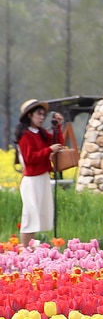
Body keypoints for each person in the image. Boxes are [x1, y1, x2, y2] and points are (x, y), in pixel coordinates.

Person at [15, 99, 64, 248]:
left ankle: (29, 247)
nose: (42, 118)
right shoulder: (25, 135)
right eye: (39, 114)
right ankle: (25, 248)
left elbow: (58, 143)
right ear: (30, 115)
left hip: (42, 177)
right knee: (30, 215)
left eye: (43, 115)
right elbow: (30, 158)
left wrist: (58, 127)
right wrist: (49, 150)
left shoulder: (41, 133)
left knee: (38, 215)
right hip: (32, 180)